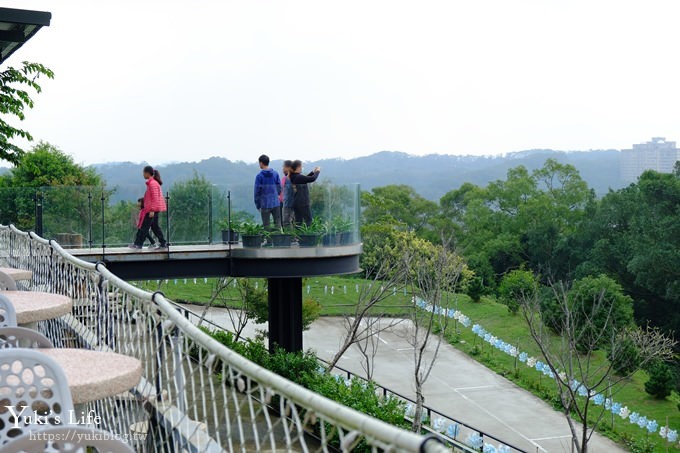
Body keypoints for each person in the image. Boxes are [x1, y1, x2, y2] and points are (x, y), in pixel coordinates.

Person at [129, 166, 167, 250]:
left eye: (143, 172)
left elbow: (155, 197)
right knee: (154, 227)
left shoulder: (152, 183)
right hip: (152, 209)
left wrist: (152, 209)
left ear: (147, 173)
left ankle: (138, 244)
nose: (143, 174)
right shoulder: (152, 183)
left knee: (144, 227)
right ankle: (163, 243)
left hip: (151, 210)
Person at [254, 154, 282, 230]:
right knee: (277, 223)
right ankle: (278, 239)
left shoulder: (259, 176)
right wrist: (277, 195)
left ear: (261, 163)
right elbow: (279, 186)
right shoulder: (275, 174)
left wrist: (258, 204)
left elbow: (257, 191)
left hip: (264, 203)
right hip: (275, 202)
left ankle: (269, 241)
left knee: (266, 224)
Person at [289, 160, 320, 226]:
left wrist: (312, 172)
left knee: (298, 221)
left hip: (296, 202)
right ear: (298, 167)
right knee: (308, 220)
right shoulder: (298, 177)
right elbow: (312, 179)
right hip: (303, 202)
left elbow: (305, 179)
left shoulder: (294, 176)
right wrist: (317, 172)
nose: (302, 168)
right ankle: (309, 235)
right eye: (301, 166)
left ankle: (298, 235)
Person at [280, 160, 295, 228]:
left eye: (284, 167)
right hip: (291, 203)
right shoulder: (295, 177)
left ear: (288, 168)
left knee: (286, 221)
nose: (283, 169)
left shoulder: (287, 178)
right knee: (292, 221)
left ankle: (289, 237)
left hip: (288, 204)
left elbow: (283, 191)